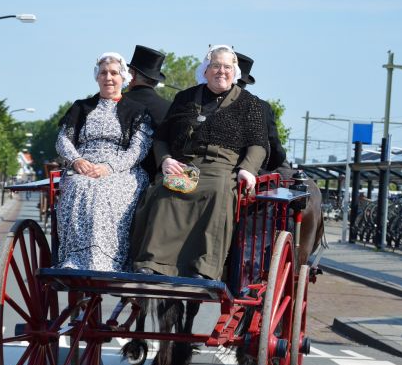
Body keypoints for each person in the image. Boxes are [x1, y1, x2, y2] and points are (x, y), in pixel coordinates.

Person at [131, 44, 269, 280]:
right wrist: (165, 160)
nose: (221, 71)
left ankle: (203, 267)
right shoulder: (184, 98)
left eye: (227, 67)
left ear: (234, 71)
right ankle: (153, 262)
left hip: (222, 167)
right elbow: (161, 137)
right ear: (205, 70)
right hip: (184, 163)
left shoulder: (250, 103)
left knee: (218, 191)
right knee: (164, 192)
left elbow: (258, 144)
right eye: (215, 66)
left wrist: (248, 169)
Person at [56, 52, 153, 271]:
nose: (108, 77)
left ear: (124, 77)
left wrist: (109, 168)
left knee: (103, 192)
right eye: (103, 73)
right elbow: (63, 139)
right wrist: (76, 160)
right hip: (83, 166)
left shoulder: (137, 111)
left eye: (114, 73)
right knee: (78, 187)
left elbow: (139, 148)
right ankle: (75, 258)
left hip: (121, 170)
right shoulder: (81, 107)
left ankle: (108, 260)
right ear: (97, 77)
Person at [123, 45, 170, 180]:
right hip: (156, 181)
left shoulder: (118, 103)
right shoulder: (169, 107)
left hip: (118, 177)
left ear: (132, 76)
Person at [234, 52, 287, 171]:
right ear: (245, 82)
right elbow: (276, 151)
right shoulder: (263, 107)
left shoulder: (197, 101)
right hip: (248, 172)